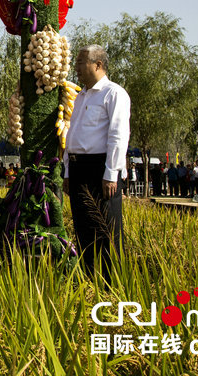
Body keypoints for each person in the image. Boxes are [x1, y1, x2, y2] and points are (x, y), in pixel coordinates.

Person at [63, 45, 130, 283]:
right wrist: (68, 171)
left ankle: (112, 283)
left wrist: (111, 173)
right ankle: (90, 279)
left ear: (98, 65)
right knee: (83, 227)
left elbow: (118, 135)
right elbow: (72, 135)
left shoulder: (114, 93)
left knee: (106, 229)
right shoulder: (81, 95)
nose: (77, 68)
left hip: (100, 169)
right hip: (78, 166)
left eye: (81, 63)